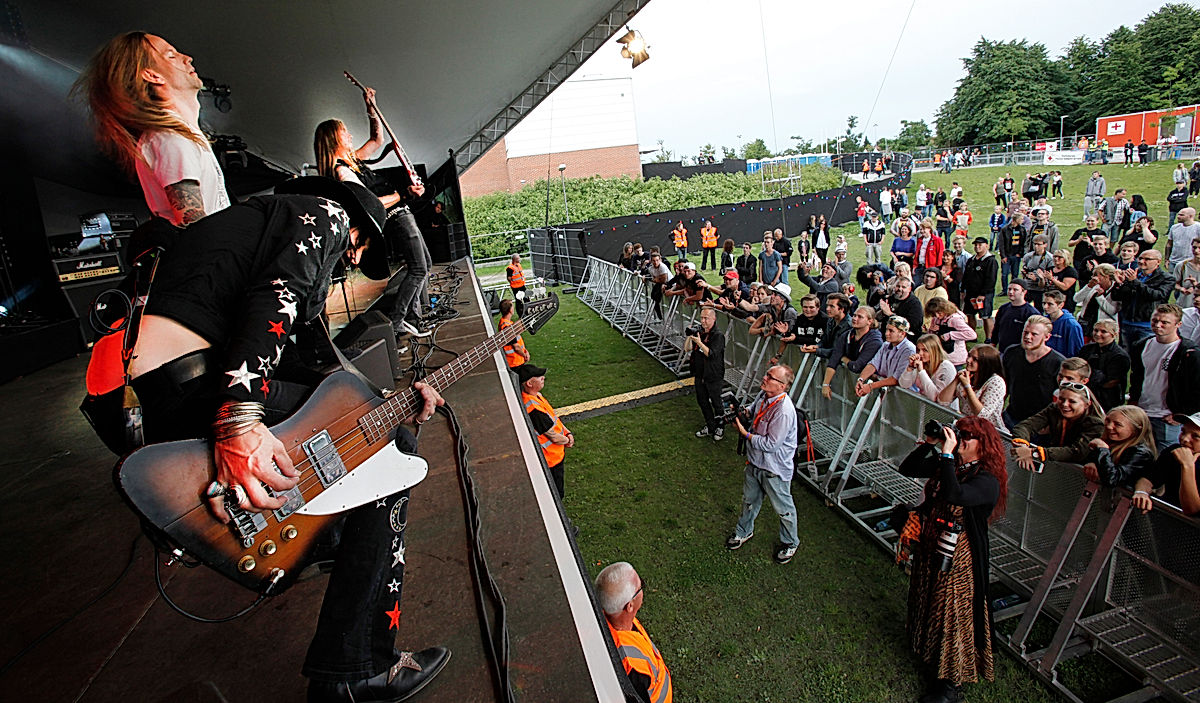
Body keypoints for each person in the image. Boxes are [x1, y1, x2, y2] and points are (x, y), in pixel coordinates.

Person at [118, 176, 450, 701]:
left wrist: (393, 401)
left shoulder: (258, 226)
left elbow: (309, 371)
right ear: (356, 230)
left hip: (175, 391)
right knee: (389, 453)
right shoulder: (324, 215)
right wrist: (239, 423)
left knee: (370, 433)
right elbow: (276, 301)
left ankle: (327, 544)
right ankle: (357, 668)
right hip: (203, 388)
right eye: (358, 250)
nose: (349, 261)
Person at [898, 417, 1007, 703]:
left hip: (958, 556)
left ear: (984, 445)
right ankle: (927, 651)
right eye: (960, 433)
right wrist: (929, 445)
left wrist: (946, 456)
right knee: (928, 597)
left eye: (968, 436)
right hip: (932, 543)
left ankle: (950, 685)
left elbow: (954, 494)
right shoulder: (952, 465)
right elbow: (907, 468)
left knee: (952, 613)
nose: (961, 440)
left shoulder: (987, 480)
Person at [78, 32, 230, 225]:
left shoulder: (182, 133)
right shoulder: (170, 137)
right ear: (152, 75)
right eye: (171, 55)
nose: (187, 58)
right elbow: (192, 224)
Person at [313, 103, 430, 339]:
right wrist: (403, 194)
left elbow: (377, 140)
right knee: (419, 268)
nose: (350, 136)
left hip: (400, 213)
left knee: (423, 264)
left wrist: (371, 109)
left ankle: (413, 317)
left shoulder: (352, 160)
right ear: (333, 139)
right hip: (395, 216)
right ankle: (398, 321)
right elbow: (370, 204)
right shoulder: (342, 172)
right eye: (345, 132)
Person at [727, 365, 800, 564]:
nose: (765, 378)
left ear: (782, 386)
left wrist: (745, 434)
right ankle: (743, 531)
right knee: (749, 500)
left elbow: (771, 445)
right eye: (767, 374)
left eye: (771, 377)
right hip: (755, 462)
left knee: (784, 509)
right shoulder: (763, 395)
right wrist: (742, 414)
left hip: (774, 469)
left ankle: (791, 543)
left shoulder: (784, 411)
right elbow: (752, 412)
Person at [595, 562, 673, 703]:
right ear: (629, 606)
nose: (642, 589)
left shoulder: (613, 618)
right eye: (640, 586)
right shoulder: (633, 667)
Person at [1129, 304, 1200, 448]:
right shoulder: (1142, 345)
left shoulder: (1189, 352)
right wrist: (1134, 400)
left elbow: (1197, 387)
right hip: (1142, 413)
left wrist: (1181, 414)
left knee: (1165, 456)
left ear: (1178, 324)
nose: (1158, 325)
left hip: (1167, 417)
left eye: (1164, 322)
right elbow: (1136, 376)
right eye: (1155, 320)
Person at [1012, 382, 1105, 468]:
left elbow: (1077, 452)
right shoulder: (1054, 409)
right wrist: (1022, 446)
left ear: (1087, 404)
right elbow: (1025, 426)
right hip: (1056, 467)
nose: (1065, 404)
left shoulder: (1096, 424)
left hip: (1080, 473)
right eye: (1061, 399)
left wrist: (1033, 453)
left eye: (1072, 401)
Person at [517, 363, 573, 499]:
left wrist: (567, 432)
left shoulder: (537, 396)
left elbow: (554, 418)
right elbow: (553, 436)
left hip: (556, 454)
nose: (543, 378)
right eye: (539, 377)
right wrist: (568, 440)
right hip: (551, 459)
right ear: (529, 383)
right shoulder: (534, 409)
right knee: (556, 494)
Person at [1002, 316, 1067, 427]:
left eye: (1034, 334)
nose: (1028, 337)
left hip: (1040, 423)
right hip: (1011, 416)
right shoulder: (1012, 353)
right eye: (1025, 332)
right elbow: (1004, 384)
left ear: (1047, 337)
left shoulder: (1058, 362)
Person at [1132, 412, 1200, 515]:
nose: (1184, 439)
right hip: (1167, 516)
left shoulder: (1185, 460)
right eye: (1183, 431)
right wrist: (1141, 492)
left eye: (1195, 436)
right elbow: (1149, 478)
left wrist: (1187, 466)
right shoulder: (1174, 451)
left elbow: (1191, 509)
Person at [1109, 248, 1174, 354]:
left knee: (1145, 356)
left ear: (1158, 261)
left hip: (1147, 325)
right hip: (1127, 322)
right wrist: (1119, 284)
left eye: (1147, 259)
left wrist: (1135, 282)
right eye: (1140, 258)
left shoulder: (1166, 278)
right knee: (1125, 355)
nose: (1142, 261)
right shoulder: (1132, 274)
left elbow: (1157, 295)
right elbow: (1117, 297)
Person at [1080, 406, 1156, 488]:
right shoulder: (1108, 441)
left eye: (1117, 424)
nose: (1109, 426)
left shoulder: (1141, 453)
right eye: (1107, 420)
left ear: (1136, 429)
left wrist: (1103, 449)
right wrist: (1092, 463)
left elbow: (1113, 479)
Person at [939, 345, 1007, 431]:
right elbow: (942, 401)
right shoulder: (967, 376)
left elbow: (982, 414)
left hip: (987, 431)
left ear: (986, 363)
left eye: (974, 359)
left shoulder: (996, 382)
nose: (968, 360)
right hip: (966, 429)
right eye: (969, 355)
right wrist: (956, 380)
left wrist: (967, 387)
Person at [821, 306, 883, 399]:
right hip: (853, 383)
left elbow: (856, 366)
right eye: (854, 315)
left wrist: (843, 358)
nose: (854, 318)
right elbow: (834, 359)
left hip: (869, 388)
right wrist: (826, 384)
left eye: (860, 317)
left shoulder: (874, 341)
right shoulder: (847, 334)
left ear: (869, 321)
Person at [686, 308, 726, 441]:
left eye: (706, 318)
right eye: (701, 318)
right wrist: (689, 336)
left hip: (713, 375)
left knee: (716, 402)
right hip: (699, 374)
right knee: (702, 401)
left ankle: (720, 426)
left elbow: (711, 354)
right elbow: (687, 348)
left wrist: (699, 342)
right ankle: (710, 425)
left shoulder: (718, 336)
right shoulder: (699, 332)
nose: (703, 321)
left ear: (713, 319)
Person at [854, 317, 917, 397]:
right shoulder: (885, 345)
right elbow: (873, 364)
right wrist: (861, 379)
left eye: (891, 331)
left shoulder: (908, 349)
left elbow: (896, 378)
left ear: (902, 333)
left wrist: (870, 386)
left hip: (904, 396)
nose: (886, 333)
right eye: (887, 329)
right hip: (889, 393)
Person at [1077, 320, 1130, 411]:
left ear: (1114, 334)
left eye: (1103, 331)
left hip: (1108, 400)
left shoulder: (1120, 356)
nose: (1098, 334)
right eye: (1096, 330)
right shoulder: (1086, 349)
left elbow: (1111, 382)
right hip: (1085, 395)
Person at [899, 333, 957, 403]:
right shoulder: (921, 362)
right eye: (918, 350)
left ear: (934, 351)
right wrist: (910, 367)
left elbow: (934, 397)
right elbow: (904, 384)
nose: (920, 353)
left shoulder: (946, 367)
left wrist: (921, 372)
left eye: (925, 350)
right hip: (925, 406)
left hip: (944, 408)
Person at [962, 237, 999, 342]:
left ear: (986, 246)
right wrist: (963, 290)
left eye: (980, 245)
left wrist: (983, 293)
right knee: (970, 315)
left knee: (985, 316)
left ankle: (989, 338)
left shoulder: (991, 261)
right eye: (976, 245)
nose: (977, 247)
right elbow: (966, 276)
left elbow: (991, 279)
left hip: (984, 294)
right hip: (970, 293)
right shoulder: (971, 260)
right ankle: (972, 336)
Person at [925, 298, 975, 368]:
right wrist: (931, 330)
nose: (937, 316)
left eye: (939, 313)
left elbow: (971, 334)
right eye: (934, 314)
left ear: (945, 309)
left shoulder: (955, 319)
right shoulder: (936, 318)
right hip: (941, 356)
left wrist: (949, 335)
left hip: (955, 358)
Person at [991, 282, 1037, 352]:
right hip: (1003, 350)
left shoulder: (1031, 312)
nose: (1011, 292)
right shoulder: (1003, 308)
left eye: (1015, 290)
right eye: (1009, 289)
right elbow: (997, 328)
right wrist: (993, 342)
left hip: (1021, 352)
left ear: (1024, 292)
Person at [1043, 291, 1084, 358]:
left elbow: (1076, 350)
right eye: (1044, 303)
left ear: (1061, 305)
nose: (1045, 307)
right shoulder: (1043, 321)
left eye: (1050, 304)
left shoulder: (1071, 325)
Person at [816, 293, 853, 363]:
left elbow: (839, 351)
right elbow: (824, 339)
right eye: (827, 305)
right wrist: (817, 346)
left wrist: (817, 351)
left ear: (841, 309)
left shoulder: (849, 326)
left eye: (832, 306)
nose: (827, 309)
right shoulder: (830, 320)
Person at [997, 215, 1029, 290]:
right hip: (1007, 255)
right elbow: (1001, 243)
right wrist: (1003, 256)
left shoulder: (1022, 229)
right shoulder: (1005, 229)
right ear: (1016, 219)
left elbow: (1024, 242)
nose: (1023, 220)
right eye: (1021, 219)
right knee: (1004, 274)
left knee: (1015, 274)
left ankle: (1014, 289)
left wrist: (1020, 253)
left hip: (1016, 255)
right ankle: (1004, 290)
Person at [1165, 207, 1200, 271]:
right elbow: (1169, 244)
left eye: (1182, 215)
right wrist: (1166, 259)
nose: (1178, 216)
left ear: (1190, 216)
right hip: (1173, 262)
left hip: (1190, 262)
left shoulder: (1198, 227)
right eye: (1178, 214)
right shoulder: (1174, 227)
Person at [498, 299, 529, 368]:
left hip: (517, 360)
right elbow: (516, 347)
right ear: (510, 310)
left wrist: (525, 351)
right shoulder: (507, 327)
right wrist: (525, 355)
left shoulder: (505, 322)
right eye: (512, 307)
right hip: (515, 362)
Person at [1174, 238, 1200, 308]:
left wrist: (1195, 285)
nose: (1196, 251)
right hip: (1184, 305)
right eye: (1194, 247)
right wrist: (1181, 289)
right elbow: (1174, 283)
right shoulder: (1182, 265)